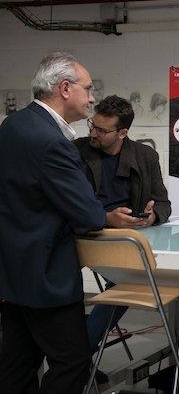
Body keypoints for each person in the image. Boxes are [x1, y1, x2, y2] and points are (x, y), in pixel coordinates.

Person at [0, 52, 106, 393]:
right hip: (47, 276)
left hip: (13, 271)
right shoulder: (52, 143)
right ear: (64, 88)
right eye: (88, 89)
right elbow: (88, 216)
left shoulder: (13, 125)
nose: (92, 97)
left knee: (17, 365)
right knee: (72, 363)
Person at [74, 94, 171, 358]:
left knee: (131, 284)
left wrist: (151, 216)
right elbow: (71, 204)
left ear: (123, 133)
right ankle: (78, 354)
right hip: (85, 236)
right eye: (92, 125)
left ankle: (78, 354)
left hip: (125, 241)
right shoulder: (76, 151)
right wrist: (106, 217)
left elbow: (164, 203)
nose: (93, 133)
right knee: (125, 285)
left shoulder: (145, 156)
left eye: (102, 130)